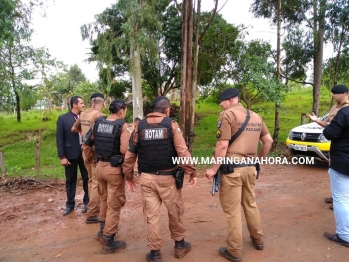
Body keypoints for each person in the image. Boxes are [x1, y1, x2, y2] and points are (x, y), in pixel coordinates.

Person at [123, 96, 198, 262]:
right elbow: (182, 151)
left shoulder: (138, 126)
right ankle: (180, 246)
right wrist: (191, 171)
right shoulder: (171, 125)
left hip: (147, 179)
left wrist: (128, 176)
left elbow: (130, 154)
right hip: (168, 179)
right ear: (166, 110)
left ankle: (155, 254)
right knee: (175, 212)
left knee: (152, 216)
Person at [205, 88, 273, 262]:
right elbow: (268, 141)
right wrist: (258, 160)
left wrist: (213, 169)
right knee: (250, 203)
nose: (221, 106)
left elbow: (222, 145)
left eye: (221, 102)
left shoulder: (227, 115)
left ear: (229, 100)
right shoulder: (256, 116)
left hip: (232, 169)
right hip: (250, 168)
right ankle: (258, 239)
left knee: (232, 210)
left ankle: (234, 250)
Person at [91, 99, 130, 254]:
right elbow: (125, 149)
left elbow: (90, 141)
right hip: (113, 170)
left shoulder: (99, 122)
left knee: (104, 199)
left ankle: (102, 231)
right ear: (121, 110)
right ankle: (109, 242)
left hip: (99, 167)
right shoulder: (122, 125)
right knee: (114, 205)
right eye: (125, 110)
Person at [307, 84, 349, 208]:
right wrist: (316, 120)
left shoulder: (347, 109)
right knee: (335, 172)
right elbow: (329, 125)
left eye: (334, 93)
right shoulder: (334, 108)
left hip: (345, 147)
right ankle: (337, 196)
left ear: (343, 94)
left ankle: (341, 200)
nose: (333, 96)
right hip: (336, 145)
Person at [71, 92, 105, 224]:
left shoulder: (83, 114)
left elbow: (74, 128)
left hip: (85, 151)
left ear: (91, 103)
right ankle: (92, 214)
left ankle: (92, 207)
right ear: (102, 103)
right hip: (95, 152)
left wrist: (85, 133)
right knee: (96, 183)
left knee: (91, 181)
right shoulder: (99, 116)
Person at [56, 96, 89, 216]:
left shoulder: (86, 117)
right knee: (70, 180)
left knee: (87, 178)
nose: (83, 105)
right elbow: (60, 139)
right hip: (70, 154)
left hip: (85, 153)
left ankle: (87, 202)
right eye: (81, 103)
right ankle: (70, 204)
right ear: (74, 105)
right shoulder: (63, 119)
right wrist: (62, 156)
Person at [322, 105, 349, 247]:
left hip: (343, 161)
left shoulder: (344, 112)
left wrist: (326, 127)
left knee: (341, 200)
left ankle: (344, 236)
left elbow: (330, 133)